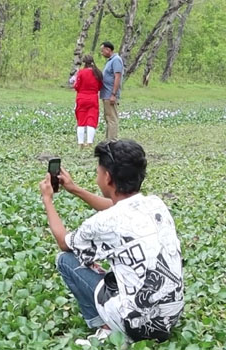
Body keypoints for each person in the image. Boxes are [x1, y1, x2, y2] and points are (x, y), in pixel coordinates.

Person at [38, 140, 184, 345]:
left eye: (98, 172)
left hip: (135, 326)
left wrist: (47, 200)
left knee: (66, 260)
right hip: (170, 318)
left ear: (107, 177)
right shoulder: (156, 204)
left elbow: (64, 242)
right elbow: (115, 207)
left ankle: (105, 328)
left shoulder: (103, 223)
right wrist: (75, 190)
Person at [73, 55, 103, 148]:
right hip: (93, 98)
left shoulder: (81, 72)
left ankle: (80, 143)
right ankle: (89, 142)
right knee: (92, 120)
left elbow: (76, 86)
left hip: (82, 98)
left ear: (84, 62)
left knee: (81, 121)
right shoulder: (97, 73)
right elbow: (100, 86)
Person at [99, 42, 123, 141]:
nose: (101, 53)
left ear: (108, 50)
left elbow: (117, 77)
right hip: (106, 94)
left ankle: (112, 140)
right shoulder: (110, 61)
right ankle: (108, 139)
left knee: (112, 118)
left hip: (110, 94)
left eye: (102, 50)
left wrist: (113, 94)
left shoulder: (116, 60)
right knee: (108, 118)